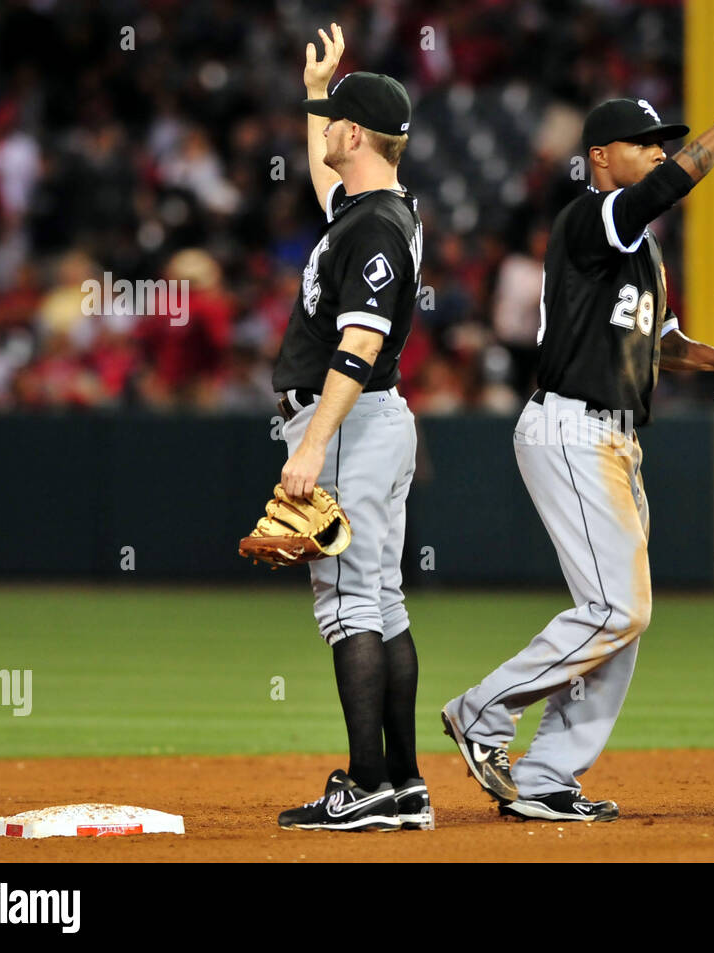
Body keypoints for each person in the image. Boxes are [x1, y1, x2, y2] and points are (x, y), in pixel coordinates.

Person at [441, 43, 714, 823]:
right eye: (644, 142)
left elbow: (658, 342)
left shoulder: (638, 250)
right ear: (599, 157)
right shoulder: (593, 217)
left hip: (617, 441)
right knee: (619, 607)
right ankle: (482, 710)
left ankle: (550, 772)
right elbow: (665, 187)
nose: (656, 150)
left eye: (663, 139)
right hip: (572, 428)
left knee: (621, 618)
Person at [272, 24, 430, 833]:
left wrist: (310, 443)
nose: (326, 128)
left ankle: (368, 782)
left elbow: (359, 344)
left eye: (336, 117)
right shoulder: (375, 209)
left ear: (359, 134)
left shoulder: (372, 227)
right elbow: (319, 167)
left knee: (347, 604)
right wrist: (314, 89)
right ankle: (402, 785)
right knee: (382, 599)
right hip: (372, 422)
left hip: (349, 420)